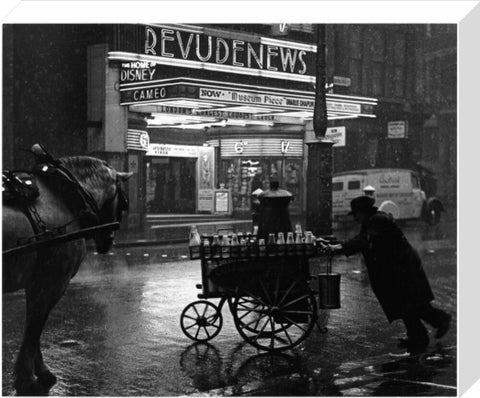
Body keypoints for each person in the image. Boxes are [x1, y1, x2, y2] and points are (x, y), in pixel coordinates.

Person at [325, 195, 451, 354]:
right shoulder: (371, 220)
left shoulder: (377, 220)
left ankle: (439, 321)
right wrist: (340, 246)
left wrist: (340, 248)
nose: (355, 217)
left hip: (403, 268)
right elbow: (363, 240)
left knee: (412, 304)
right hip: (398, 268)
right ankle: (419, 335)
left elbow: (364, 241)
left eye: (356, 213)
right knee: (406, 304)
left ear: (363, 212)